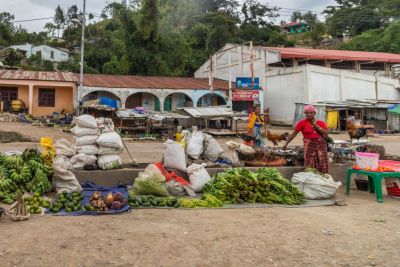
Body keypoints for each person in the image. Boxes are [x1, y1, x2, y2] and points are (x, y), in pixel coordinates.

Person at [283, 105, 329, 173]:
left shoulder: (320, 122)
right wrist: (286, 143)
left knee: (322, 160)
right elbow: (294, 134)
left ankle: (323, 176)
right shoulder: (302, 123)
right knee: (309, 160)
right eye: (307, 113)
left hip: (320, 144)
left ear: (314, 113)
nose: (309, 114)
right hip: (309, 144)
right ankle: (310, 176)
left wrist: (317, 126)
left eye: (311, 113)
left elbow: (326, 133)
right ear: (305, 114)